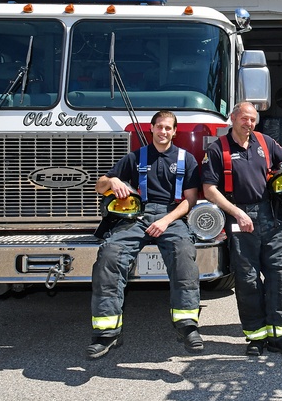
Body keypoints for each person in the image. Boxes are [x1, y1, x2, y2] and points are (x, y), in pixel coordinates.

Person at [87, 110, 203, 360]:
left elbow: (190, 200)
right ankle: (105, 334)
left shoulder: (187, 159)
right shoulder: (135, 157)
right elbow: (99, 185)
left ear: (174, 131)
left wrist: (165, 221)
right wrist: (113, 181)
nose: (163, 132)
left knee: (183, 253)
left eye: (168, 128)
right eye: (159, 127)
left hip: (171, 216)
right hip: (136, 216)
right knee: (110, 255)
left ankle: (187, 326)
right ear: (151, 129)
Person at [202, 102, 282, 358]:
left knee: (281, 278)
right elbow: (209, 189)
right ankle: (256, 337)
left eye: (252, 119)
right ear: (232, 118)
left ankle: (281, 337)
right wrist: (237, 213)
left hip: (270, 217)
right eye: (244, 118)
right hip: (240, 218)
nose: (248, 123)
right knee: (248, 282)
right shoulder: (218, 149)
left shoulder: (265, 142)